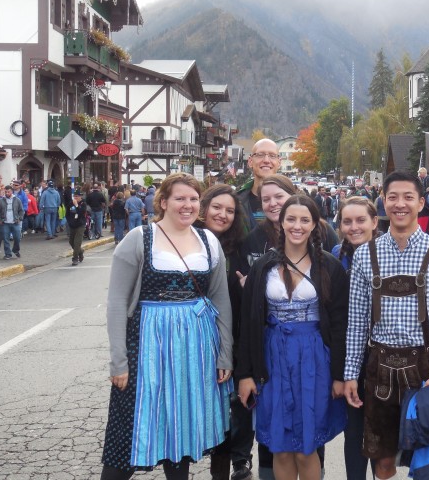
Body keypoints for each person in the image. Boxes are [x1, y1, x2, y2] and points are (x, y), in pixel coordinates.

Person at [102, 173, 233, 480]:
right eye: (179, 198)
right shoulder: (140, 238)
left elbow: (221, 300)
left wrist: (224, 353)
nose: (187, 205)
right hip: (146, 345)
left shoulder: (208, 241)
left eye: (193, 199)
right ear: (163, 202)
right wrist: (118, 360)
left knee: (181, 427)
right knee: (129, 429)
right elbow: (117, 302)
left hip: (195, 348)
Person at [344, 171, 429, 480]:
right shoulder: (364, 255)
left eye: (408, 197)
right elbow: (356, 323)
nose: (400, 204)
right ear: (383, 201)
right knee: (383, 464)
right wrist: (350, 374)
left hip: (425, 369)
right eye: (393, 197)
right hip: (379, 368)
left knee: (428, 461)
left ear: (421, 202)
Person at [236, 195, 348, 480]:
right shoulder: (263, 266)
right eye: (291, 219)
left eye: (304, 220)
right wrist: (246, 374)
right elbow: (248, 324)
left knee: (307, 448)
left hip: (314, 360)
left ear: (314, 224)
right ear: (281, 222)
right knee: (280, 446)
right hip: (273, 359)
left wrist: (339, 375)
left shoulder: (329, 266)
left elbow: (339, 325)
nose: (297, 226)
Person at [197, 185, 253, 480]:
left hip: (233, 331)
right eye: (217, 208)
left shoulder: (238, 248)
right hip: (198, 335)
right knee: (211, 404)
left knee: (234, 403)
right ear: (204, 208)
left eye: (230, 210)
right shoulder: (188, 241)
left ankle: (239, 461)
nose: (223, 215)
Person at [331, 196, 378, 480]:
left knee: (382, 430)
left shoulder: (385, 253)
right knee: (354, 430)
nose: (354, 226)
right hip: (350, 353)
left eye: (361, 220)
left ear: (374, 222)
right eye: (347, 221)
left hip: (383, 354)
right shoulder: (336, 255)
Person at [240, 175, 339, 274]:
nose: (273, 203)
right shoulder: (254, 238)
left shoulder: (324, 231)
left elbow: (338, 272)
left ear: (293, 196)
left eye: (279, 196)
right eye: (266, 199)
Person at [237, 138, 281, 229]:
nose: (266, 160)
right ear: (250, 161)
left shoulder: (293, 201)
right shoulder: (235, 201)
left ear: (279, 163)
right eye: (260, 155)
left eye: (272, 156)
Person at [0, 184, 25, 260]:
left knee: (17, 238)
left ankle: (15, 250)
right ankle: (8, 254)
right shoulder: (1, 201)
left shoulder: (17, 200)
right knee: (6, 239)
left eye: (9, 192)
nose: (7, 193)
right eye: (6, 192)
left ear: (12, 191)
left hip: (15, 222)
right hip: (5, 223)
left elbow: (21, 210)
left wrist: (20, 218)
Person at [67, 190, 87, 265]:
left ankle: (75, 258)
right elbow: (67, 214)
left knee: (77, 242)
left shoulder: (83, 204)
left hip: (80, 225)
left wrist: (76, 206)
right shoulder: (70, 204)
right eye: (74, 196)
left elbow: (81, 213)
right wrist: (69, 221)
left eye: (77, 196)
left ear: (80, 196)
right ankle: (80, 251)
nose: (75, 198)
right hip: (72, 225)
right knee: (71, 241)